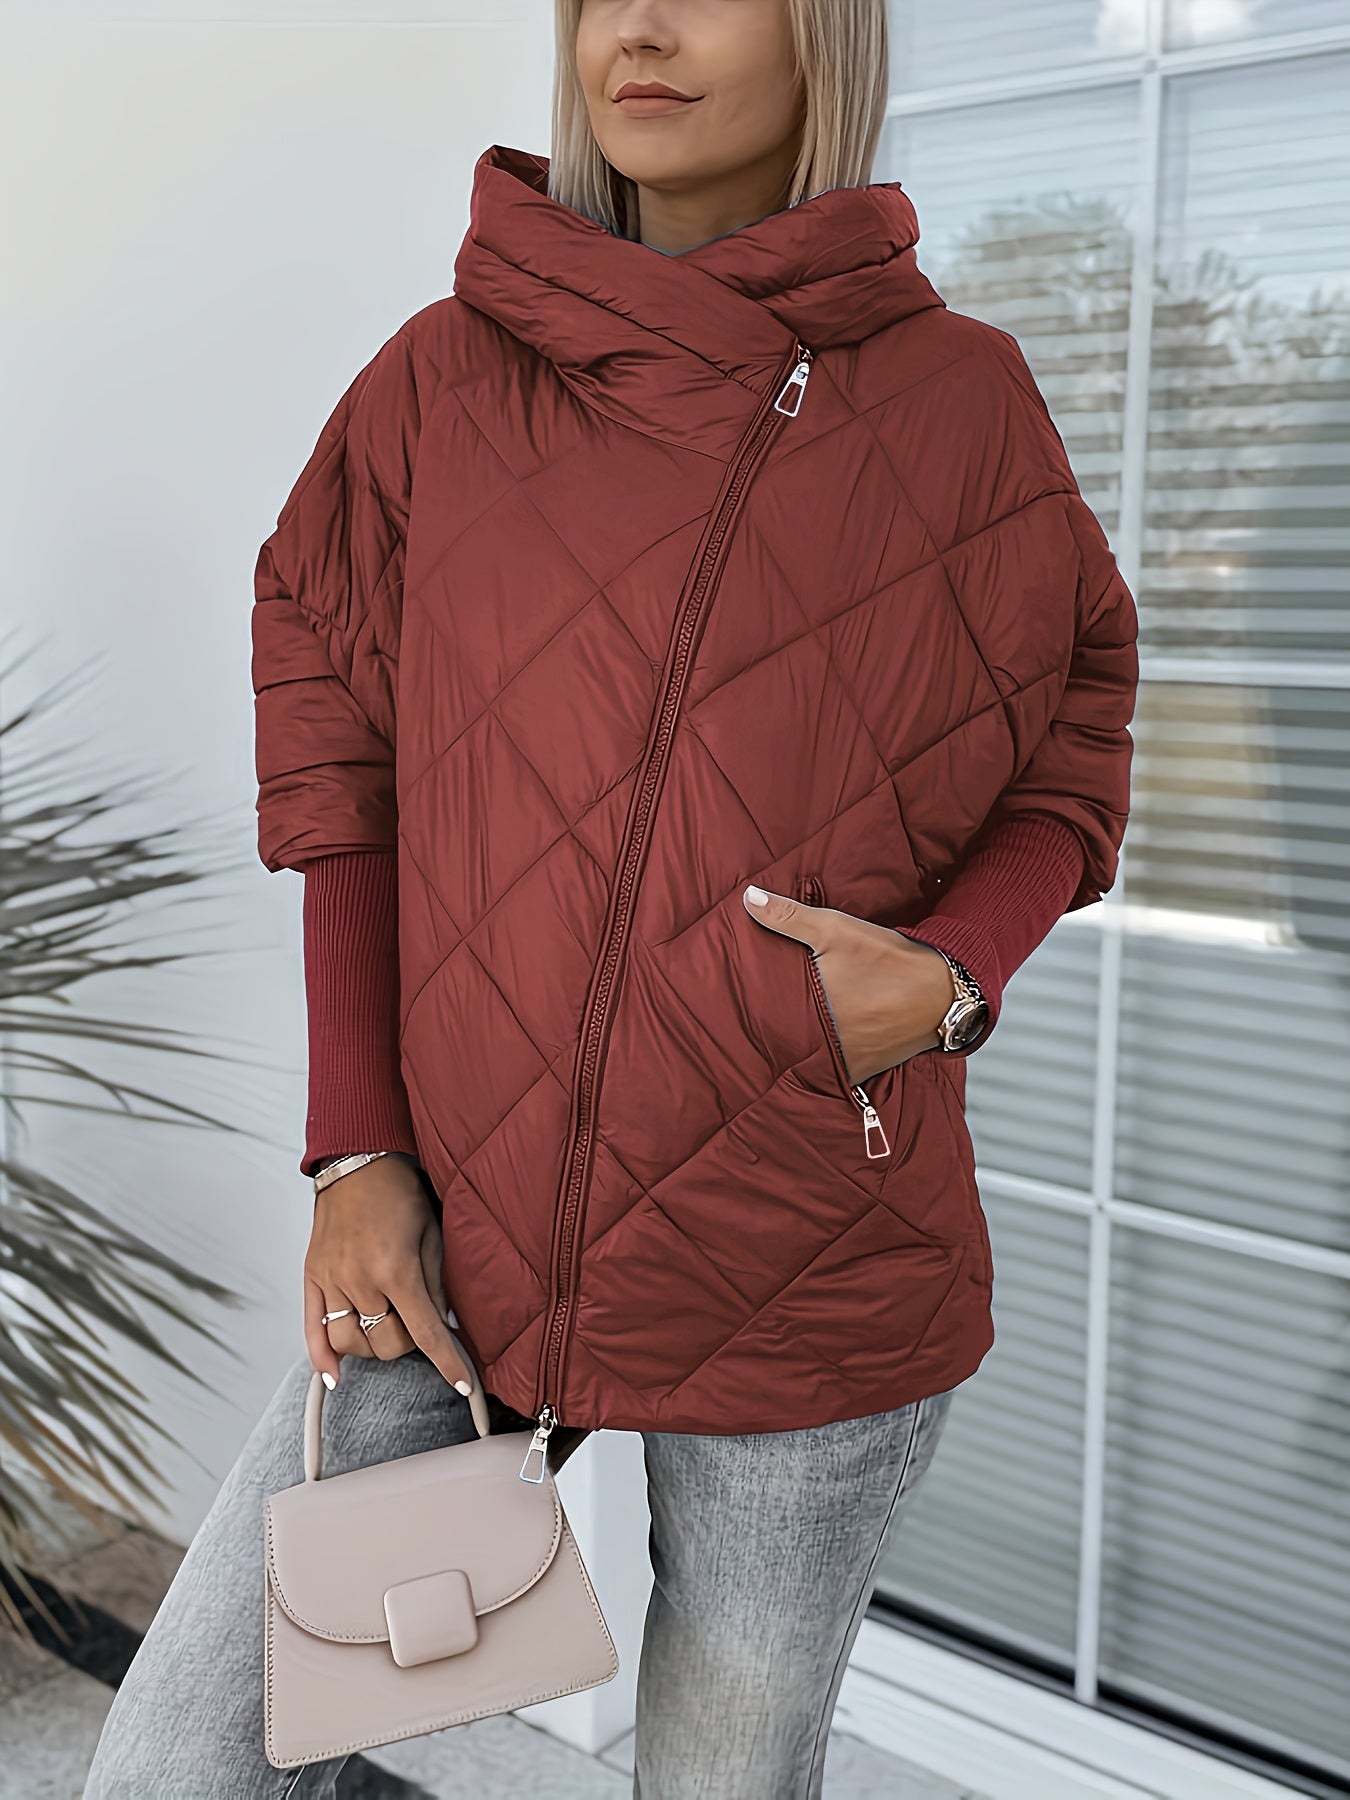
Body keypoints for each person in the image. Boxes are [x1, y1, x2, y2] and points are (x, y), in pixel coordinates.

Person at [83, 2, 1137, 1796]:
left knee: (724, 1776)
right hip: (458, 1244)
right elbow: (339, 761)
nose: (633, 30)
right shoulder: (440, 381)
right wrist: (355, 1153)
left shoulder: (959, 401)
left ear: (823, 35)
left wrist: (955, 970)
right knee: (187, 1765)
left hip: (805, 1241)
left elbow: (1075, 740)